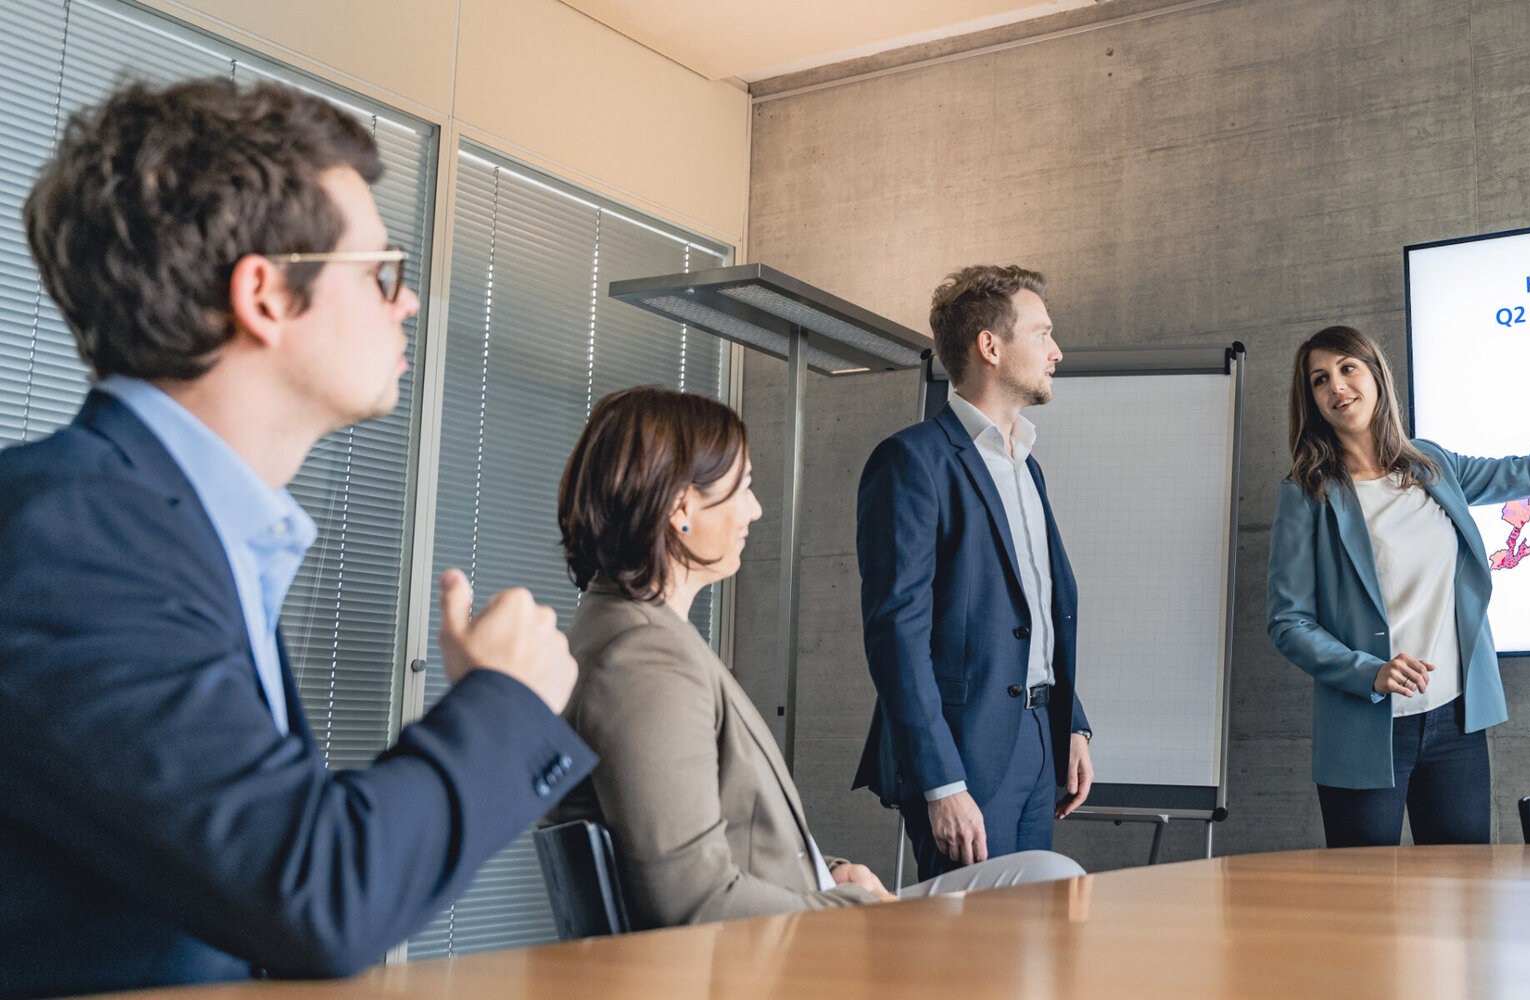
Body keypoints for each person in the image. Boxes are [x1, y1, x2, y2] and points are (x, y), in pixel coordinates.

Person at [0, 79, 593, 998]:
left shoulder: (169, 526)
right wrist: (505, 705)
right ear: (266, 295)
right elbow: (315, 892)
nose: (406, 306)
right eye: (381, 274)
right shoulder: (75, 534)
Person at [548, 386, 1080, 927]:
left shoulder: (641, 634)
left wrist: (831, 872)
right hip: (791, 947)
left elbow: (722, 841)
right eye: (743, 488)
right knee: (1044, 887)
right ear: (681, 508)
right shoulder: (643, 663)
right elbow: (695, 901)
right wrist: (850, 906)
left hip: (806, 907)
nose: (755, 510)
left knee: (1043, 875)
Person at [1266, 321, 1530, 847]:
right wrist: (1370, 672)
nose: (1336, 386)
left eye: (1347, 368)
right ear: (1310, 400)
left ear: (1376, 375)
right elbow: (1288, 621)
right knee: (1364, 904)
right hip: (1366, 728)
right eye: (1319, 379)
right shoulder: (1307, 494)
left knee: (1463, 896)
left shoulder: (1433, 465)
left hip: (1455, 721)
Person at [854, 265, 1096, 881]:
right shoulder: (912, 462)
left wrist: (1073, 725)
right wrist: (940, 783)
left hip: (1041, 741)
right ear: (991, 346)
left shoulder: (1027, 468)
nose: (1056, 351)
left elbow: (1032, 611)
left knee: (1028, 954)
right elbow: (896, 636)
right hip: (965, 753)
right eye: (1042, 334)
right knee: (964, 965)